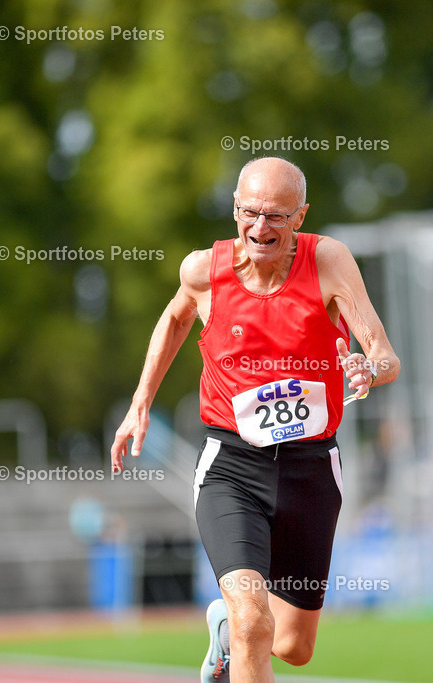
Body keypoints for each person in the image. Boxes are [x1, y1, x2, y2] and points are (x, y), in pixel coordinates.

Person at [111, 157, 399, 682]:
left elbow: (385, 354)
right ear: (235, 209)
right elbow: (175, 318)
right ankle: (235, 627)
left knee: (291, 645)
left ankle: (223, 632)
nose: (260, 228)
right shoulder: (204, 270)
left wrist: (367, 368)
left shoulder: (329, 261)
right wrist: (140, 403)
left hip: (311, 468)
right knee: (253, 623)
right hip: (232, 466)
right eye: (250, 213)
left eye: (276, 217)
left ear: (301, 216)